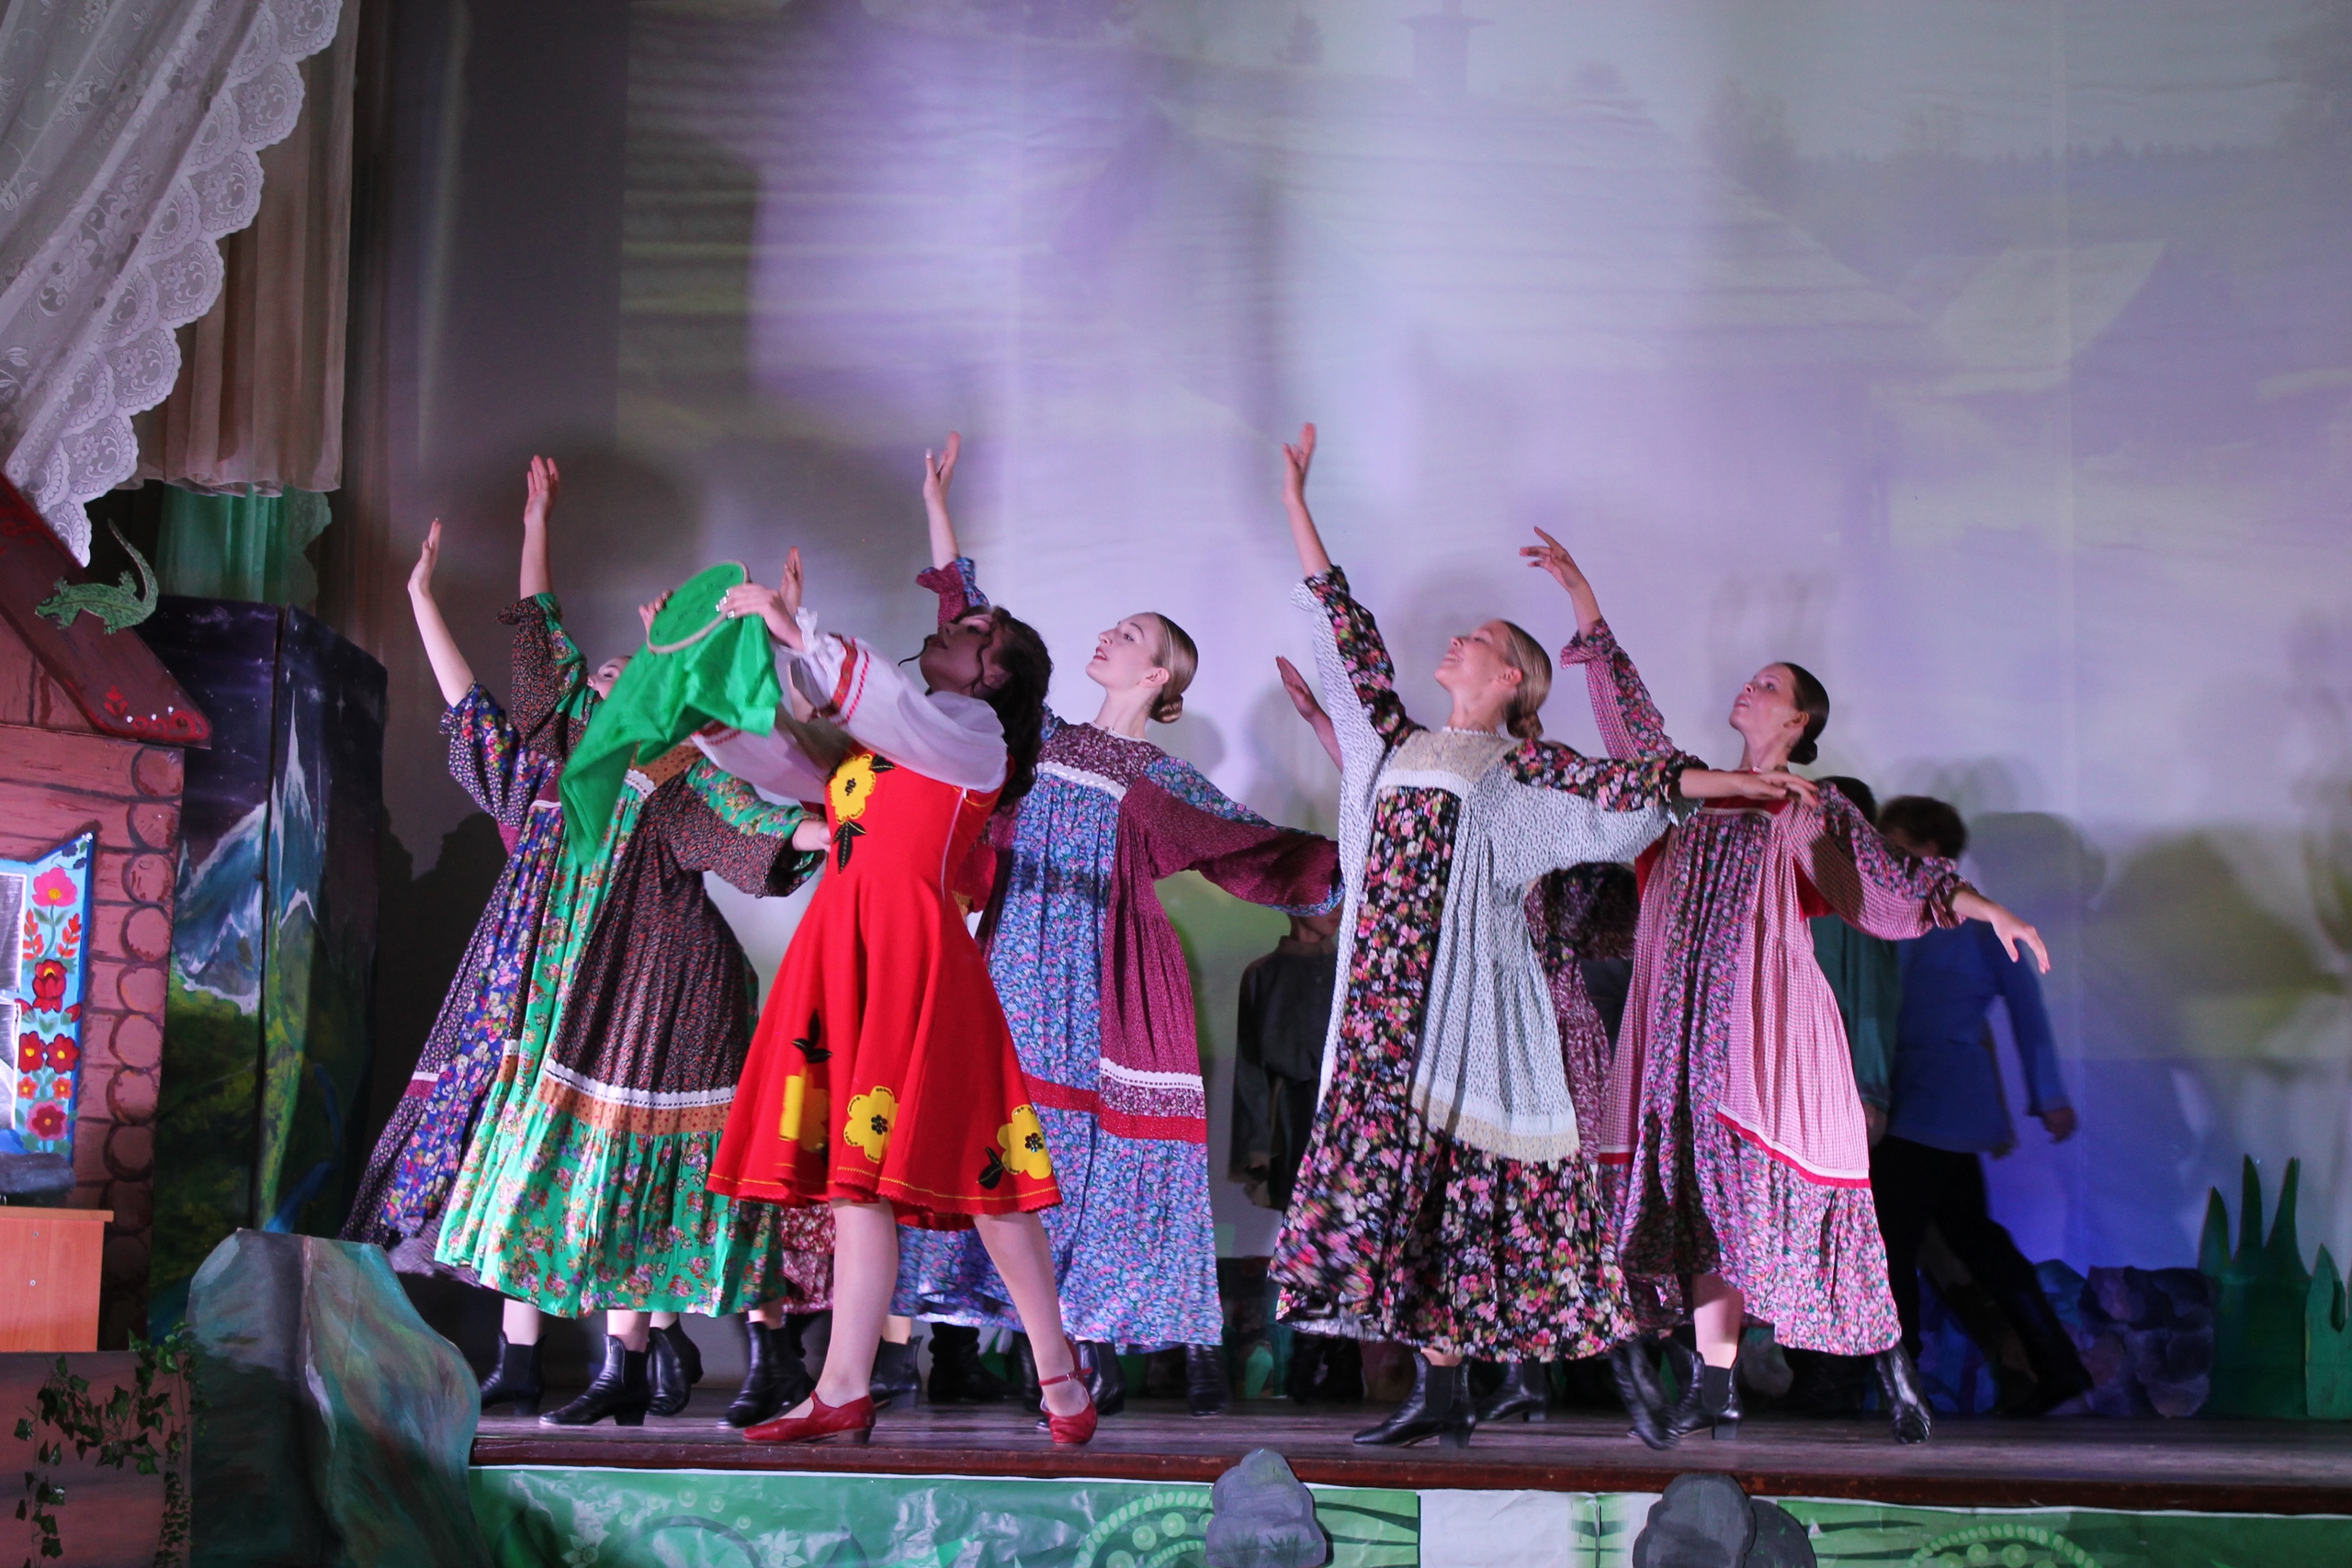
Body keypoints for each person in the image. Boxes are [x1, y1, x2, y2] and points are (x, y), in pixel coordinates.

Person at [1263, 423, 1798, 1449]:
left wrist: (1736, 781)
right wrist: (1297, 502)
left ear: (1510, 677)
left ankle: (1623, 1358)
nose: (1457, 642)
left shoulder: (1518, 772)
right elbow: (1345, 637)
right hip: (1382, 1011)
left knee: (1500, 1200)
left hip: (1467, 1013)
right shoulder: (1394, 742)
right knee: (1409, 1201)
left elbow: (1628, 789)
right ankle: (1442, 1392)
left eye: (1480, 638)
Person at [887, 435, 1342, 1422]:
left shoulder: (1157, 781)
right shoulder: (1038, 735)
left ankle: (1083, 1345)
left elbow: (1258, 851)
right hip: (1012, 960)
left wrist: (1377, 847)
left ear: (1161, 672)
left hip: (1101, 984)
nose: (1108, 634)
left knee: (1082, 1159)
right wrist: (937, 513)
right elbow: (982, 648)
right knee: (991, 1138)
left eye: (1129, 633)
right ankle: (965, 1339)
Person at [1576, 554, 2052, 1448]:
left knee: (1794, 1208)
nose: (1748, 689)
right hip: (1678, 1033)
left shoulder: (1803, 806)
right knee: (1703, 1211)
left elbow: (1889, 875)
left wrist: (1981, 905)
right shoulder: (1689, 797)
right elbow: (1635, 739)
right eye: (1751, 679)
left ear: (1798, 722)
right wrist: (1587, 613)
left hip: (1758, 1037)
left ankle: (1891, 1368)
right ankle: (1715, 1385)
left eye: (1769, 686)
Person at [432, 495, 835, 1430]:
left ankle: (706, 1355)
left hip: (672, 990)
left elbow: (754, 823)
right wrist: (534, 522)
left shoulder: (676, 769)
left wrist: (851, 826)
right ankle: (620, 1361)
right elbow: (538, 646)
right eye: (605, 670)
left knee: (673, 1166)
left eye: (633, 669)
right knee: (604, 1166)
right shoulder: (573, 752)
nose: (610, 673)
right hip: (588, 994)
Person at [698, 515, 1098, 1448]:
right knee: (856, 1181)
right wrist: (714, 674)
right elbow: (786, 752)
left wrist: (803, 636)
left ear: (993, 677)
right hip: (843, 949)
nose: (952, 627)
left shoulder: (975, 739)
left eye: (974, 630)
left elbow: (893, 713)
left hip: (915, 962)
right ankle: (843, 1385)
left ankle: (1057, 1368)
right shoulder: (879, 743)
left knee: (988, 1175)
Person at [1873, 794, 2092, 1416]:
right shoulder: (1889, 911)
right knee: (1968, 1238)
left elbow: (2027, 1013)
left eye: (1898, 847)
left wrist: (2049, 1095)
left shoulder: (1976, 921)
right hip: (1919, 1096)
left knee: (1901, 1240)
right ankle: (2053, 1363)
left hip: (1927, 1100)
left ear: (1930, 851)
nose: (1886, 858)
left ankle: (1905, 1381)